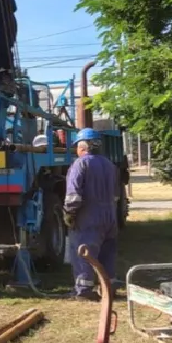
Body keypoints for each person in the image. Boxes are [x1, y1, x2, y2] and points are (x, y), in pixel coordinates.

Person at [63, 128, 120, 302]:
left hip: (88, 217)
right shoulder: (109, 165)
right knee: (106, 254)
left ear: (83, 147)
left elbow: (73, 195)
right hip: (109, 216)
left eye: (77, 147)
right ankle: (109, 288)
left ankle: (84, 289)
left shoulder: (81, 164)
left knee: (83, 252)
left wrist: (69, 213)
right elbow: (116, 194)